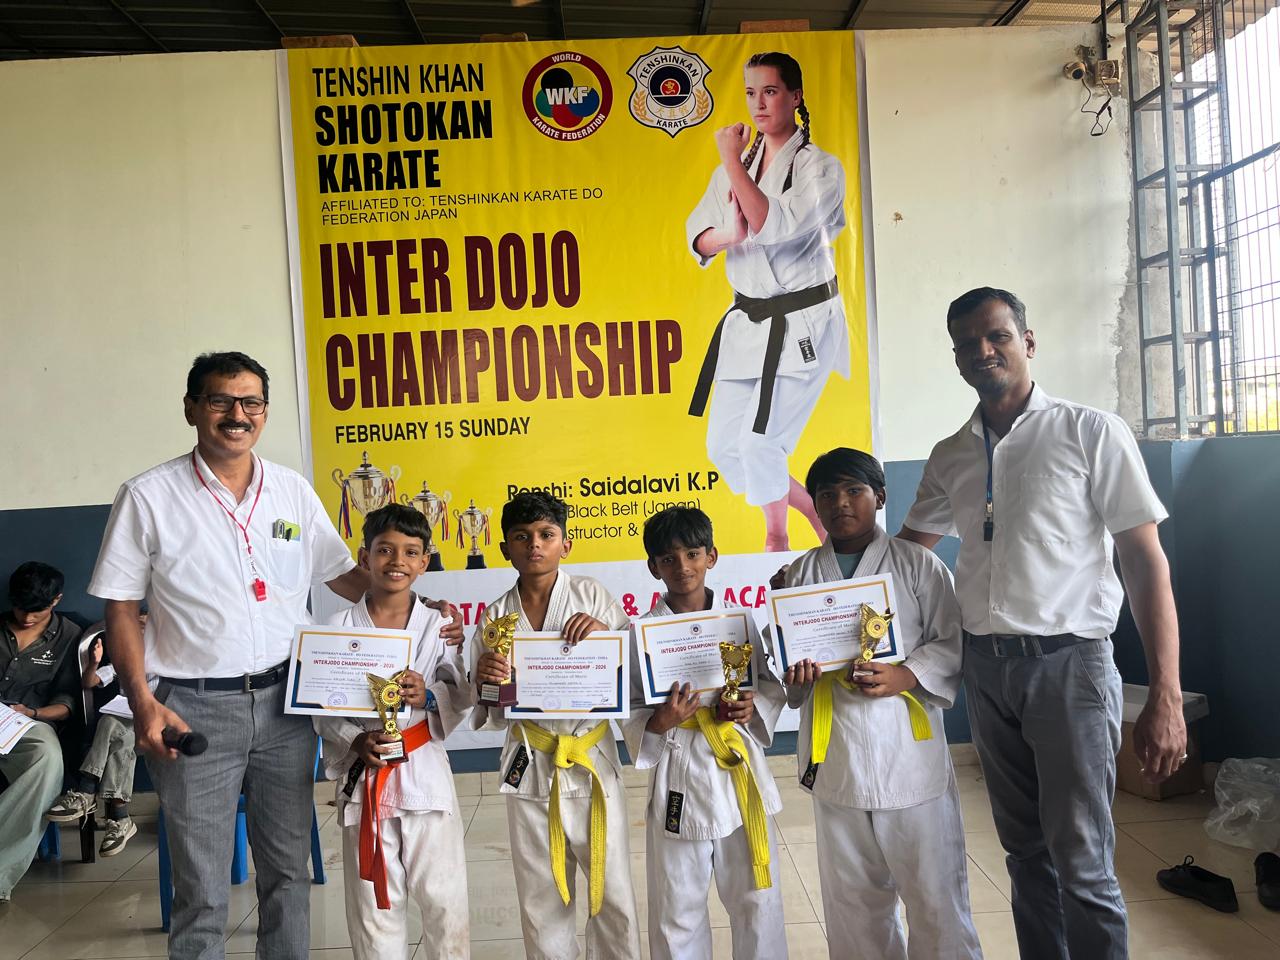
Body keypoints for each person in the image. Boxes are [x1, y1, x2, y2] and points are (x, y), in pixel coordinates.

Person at [88, 351, 461, 960]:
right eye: (220, 400)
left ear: (264, 411)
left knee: (287, 873)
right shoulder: (148, 497)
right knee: (201, 886)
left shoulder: (291, 490)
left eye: (251, 402)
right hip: (194, 709)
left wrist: (423, 609)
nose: (237, 415)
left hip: (288, 705)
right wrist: (143, 701)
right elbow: (122, 607)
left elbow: (346, 576)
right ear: (192, 408)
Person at [899, 287, 1186, 960]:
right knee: (1025, 854)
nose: (983, 351)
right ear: (956, 358)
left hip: (1070, 668)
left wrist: (1167, 692)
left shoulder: (1090, 432)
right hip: (986, 669)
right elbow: (908, 551)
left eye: (997, 336)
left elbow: (1145, 562)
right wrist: (818, 585)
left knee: (1082, 860)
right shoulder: (951, 453)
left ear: (1027, 341)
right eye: (967, 344)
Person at [781, 448, 982, 959]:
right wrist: (796, 676)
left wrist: (906, 674)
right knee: (852, 902)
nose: (841, 503)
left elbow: (950, 639)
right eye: (827, 494)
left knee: (935, 894)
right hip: (838, 756)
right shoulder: (799, 575)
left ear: (881, 497)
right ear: (815, 505)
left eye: (854, 490)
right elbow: (789, 671)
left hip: (907, 753)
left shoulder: (918, 564)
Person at [686, 50, 849, 552]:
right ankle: (814, 512)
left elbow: (771, 224)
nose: (758, 103)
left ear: (795, 97)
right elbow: (699, 235)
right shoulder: (734, 169)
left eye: (771, 91)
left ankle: (776, 536)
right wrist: (727, 235)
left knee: (760, 444)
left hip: (803, 321)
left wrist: (731, 161)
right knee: (724, 448)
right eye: (751, 93)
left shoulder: (820, 169)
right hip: (748, 321)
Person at [469, 490, 642, 960]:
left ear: (566, 544)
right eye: (522, 537)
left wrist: (606, 636)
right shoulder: (495, 617)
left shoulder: (592, 596)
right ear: (504, 548)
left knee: (612, 889)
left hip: (590, 760)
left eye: (546, 535)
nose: (534, 545)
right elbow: (490, 707)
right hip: (531, 762)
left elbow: (631, 670)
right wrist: (488, 680)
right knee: (541, 897)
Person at [623, 506, 788, 960]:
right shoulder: (641, 633)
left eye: (693, 554)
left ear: (711, 556)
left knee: (758, 900)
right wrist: (659, 722)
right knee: (677, 909)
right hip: (679, 770)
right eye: (668, 559)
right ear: (653, 567)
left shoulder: (739, 622)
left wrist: (752, 706)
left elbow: (768, 688)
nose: (682, 567)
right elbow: (632, 708)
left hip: (736, 769)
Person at [314, 504, 472, 960]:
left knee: (445, 903)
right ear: (364, 558)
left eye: (410, 552)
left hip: (424, 776)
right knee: (373, 912)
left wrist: (428, 695)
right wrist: (353, 738)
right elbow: (321, 709)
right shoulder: (336, 630)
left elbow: (460, 692)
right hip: (366, 777)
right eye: (384, 550)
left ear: (425, 562)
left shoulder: (439, 625)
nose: (397, 561)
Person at [0, 562, 83, 902]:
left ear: (56, 600)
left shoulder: (69, 636)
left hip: (29, 722)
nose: (27, 618)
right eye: (21, 609)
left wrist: (32, 713)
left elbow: (69, 702)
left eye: (37, 611)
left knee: (47, 757)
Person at [44, 609, 149, 857]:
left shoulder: (171, 661)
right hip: (124, 723)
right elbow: (88, 682)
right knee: (114, 728)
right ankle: (119, 818)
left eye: (146, 629)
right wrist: (94, 662)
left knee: (116, 730)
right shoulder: (125, 661)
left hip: (154, 725)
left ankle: (86, 791)